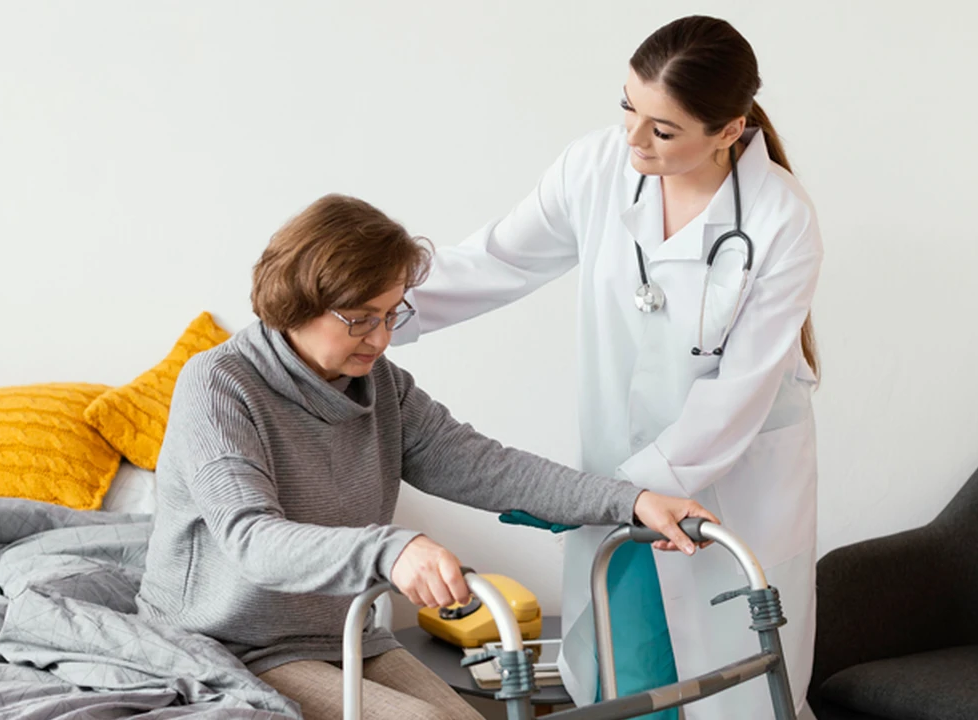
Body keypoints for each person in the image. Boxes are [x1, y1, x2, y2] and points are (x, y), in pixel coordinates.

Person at [135, 193, 717, 720]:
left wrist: (632, 502)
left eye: (392, 315)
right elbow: (251, 538)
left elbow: (485, 467)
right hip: (231, 640)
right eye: (360, 319)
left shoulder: (381, 386)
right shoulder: (218, 384)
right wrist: (393, 549)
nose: (382, 337)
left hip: (344, 629)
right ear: (294, 302)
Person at [393, 15, 822, 720]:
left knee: (731, 681)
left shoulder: (781, 219)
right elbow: (498, 258)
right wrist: (381, 309)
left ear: (727, 131)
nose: (632, 138)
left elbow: (737, 393)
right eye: (627, 107)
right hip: (621, 477)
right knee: (627, 657)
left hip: (728, 482)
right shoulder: (595, 168)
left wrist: (621, 494)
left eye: (662, 129)